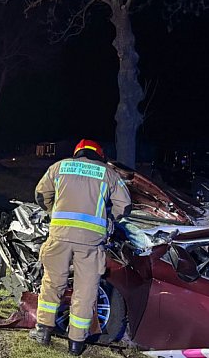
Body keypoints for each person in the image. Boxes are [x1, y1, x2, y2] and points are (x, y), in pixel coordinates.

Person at [30, 139, 131, 356]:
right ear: (99, 154)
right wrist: (109, 220)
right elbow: (125, 205)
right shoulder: (108, 173)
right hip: (91, 242)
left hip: (59, 236)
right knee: (85, 291)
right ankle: (76, 343)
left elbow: (40, 194)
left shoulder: (59, 167)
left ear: (77, 152)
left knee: (52, 283)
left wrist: (52, 211)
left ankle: (43, 333)